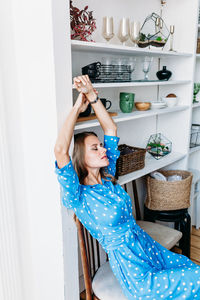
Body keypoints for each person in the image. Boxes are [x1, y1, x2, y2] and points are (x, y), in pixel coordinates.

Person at [54, 75, 200, 300]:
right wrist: (77, 106)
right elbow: (61, 151)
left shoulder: (108, 175)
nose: (103, 150)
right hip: (133, 269)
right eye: (95, 148)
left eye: (101, 146)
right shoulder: (78, 195)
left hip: (146, 247)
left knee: (193, 271)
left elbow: (110, 127)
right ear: (81, 158)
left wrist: (92, 96)